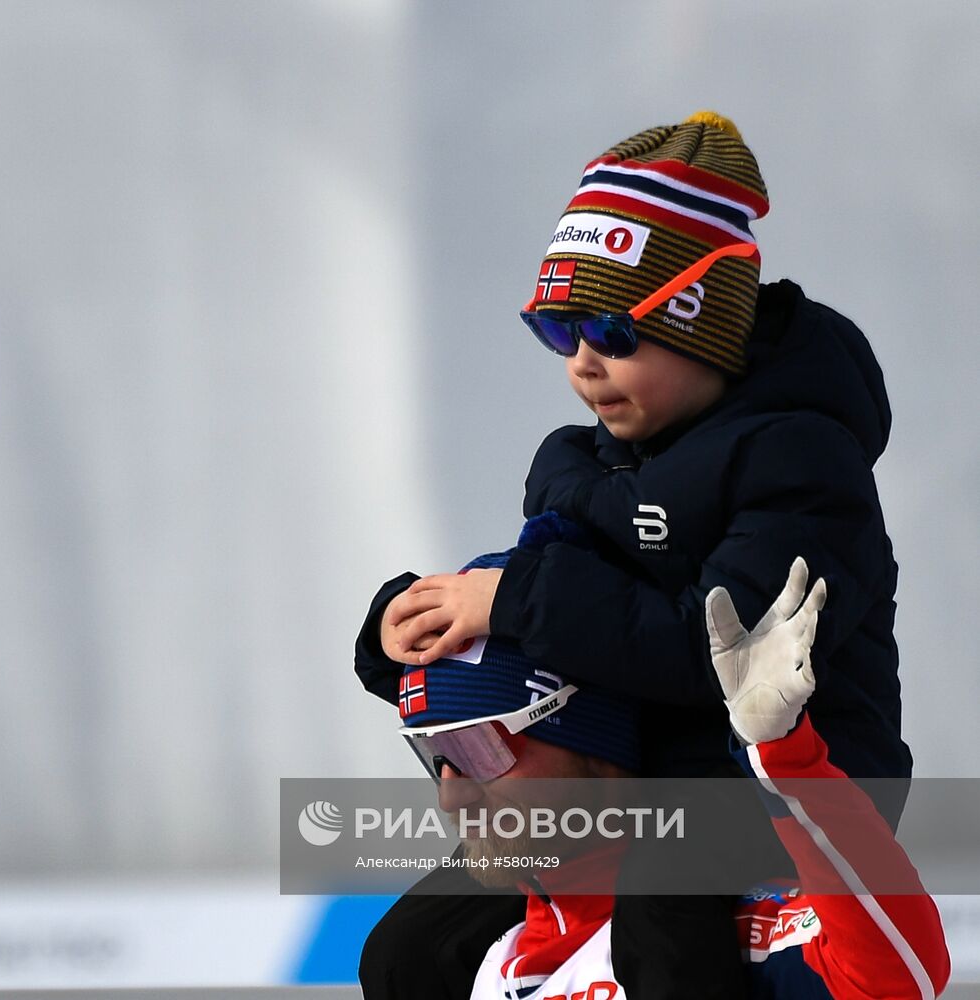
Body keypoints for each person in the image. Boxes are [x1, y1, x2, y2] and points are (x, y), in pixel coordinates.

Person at [361, 112, 910, 999]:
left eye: (612, 332)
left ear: (705, 323)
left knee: (656, 927)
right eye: (557, 332)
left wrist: (512, 599)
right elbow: (536, 595)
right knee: (410, 945)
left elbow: (721, 654)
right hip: (634, 778)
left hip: (777, 786)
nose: (582, 364)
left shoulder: (797, 462)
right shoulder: (580, 463)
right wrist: (404, 623)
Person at [395, 558, 949, 999]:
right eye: (434, 754)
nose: (450, 793)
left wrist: (788, 759)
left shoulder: (712, 932)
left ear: (588, 738)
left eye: (475, 747)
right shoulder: (478, 966)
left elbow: (897, 979)